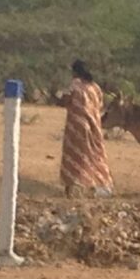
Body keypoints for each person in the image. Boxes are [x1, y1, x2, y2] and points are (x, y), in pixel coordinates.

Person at [58, 60, 114, 198]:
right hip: (94, 125)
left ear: (75, 71)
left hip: (76, 127)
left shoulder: (75, 85)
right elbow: (100, 105)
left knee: (76, 156)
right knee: (95, 154)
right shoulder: (95, 87)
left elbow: (65, 100)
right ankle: (102, 184)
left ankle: (75, 185)